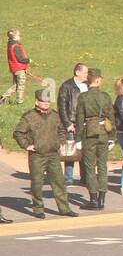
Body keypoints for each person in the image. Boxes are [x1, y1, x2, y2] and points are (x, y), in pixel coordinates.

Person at [13, 88, 77, 219]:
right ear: (37, 102)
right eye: (43, 101)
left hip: (53, 154)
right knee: (37, 182)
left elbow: (62, 130)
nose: (46, 103)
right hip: (37, 155)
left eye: (48, 101)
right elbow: (18, 133)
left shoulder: (55, 115)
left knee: (59, 182)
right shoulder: (29, 117)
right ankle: (38, 208)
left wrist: (60, 142)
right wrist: (26, 146)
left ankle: (64, 208)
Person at [75, 68, 115, 211]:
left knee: (90, 167)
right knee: (103, 166)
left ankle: (93, 199)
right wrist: (112, 137)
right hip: (104, 132)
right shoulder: (105, 96)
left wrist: (78, 138)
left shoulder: (83, 97)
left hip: (88, 134)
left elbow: (79, 118)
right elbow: (111, 116)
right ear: (98, 80)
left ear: (88, 80)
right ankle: (101, 199)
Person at [57, 63, 88, 186]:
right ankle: (68, 178)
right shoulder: (67, 86)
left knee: (85, 151)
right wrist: (68, 123)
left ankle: (85, 177)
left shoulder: (87, 86)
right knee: (71, 151)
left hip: (85, 123)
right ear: (77, 72)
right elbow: (62, 107)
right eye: (85, 72)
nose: (87, 74)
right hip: (73, 123)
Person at [1, 27, 30, 106]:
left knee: (16, 85)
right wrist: (28, 60)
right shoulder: (15, 46)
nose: (20, 37)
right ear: (15, 37)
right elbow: (20, 59)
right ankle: (19, 102)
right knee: (21, 86)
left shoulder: (10, 44)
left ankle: (3, 97)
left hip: (14, 69)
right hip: (19, 69)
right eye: (19, 35)